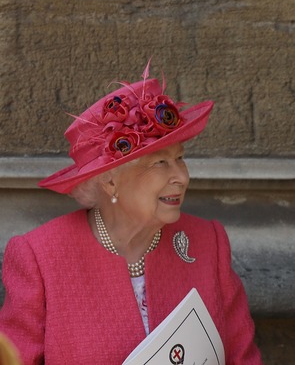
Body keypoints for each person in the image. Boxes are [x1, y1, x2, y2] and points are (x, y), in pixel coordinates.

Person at [0, 61, 263, 364]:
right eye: (160, 163)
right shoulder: (40, 257)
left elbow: (243, 358)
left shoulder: (207, 242)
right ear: (111, 180)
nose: (182, 176)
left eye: (180, 158)